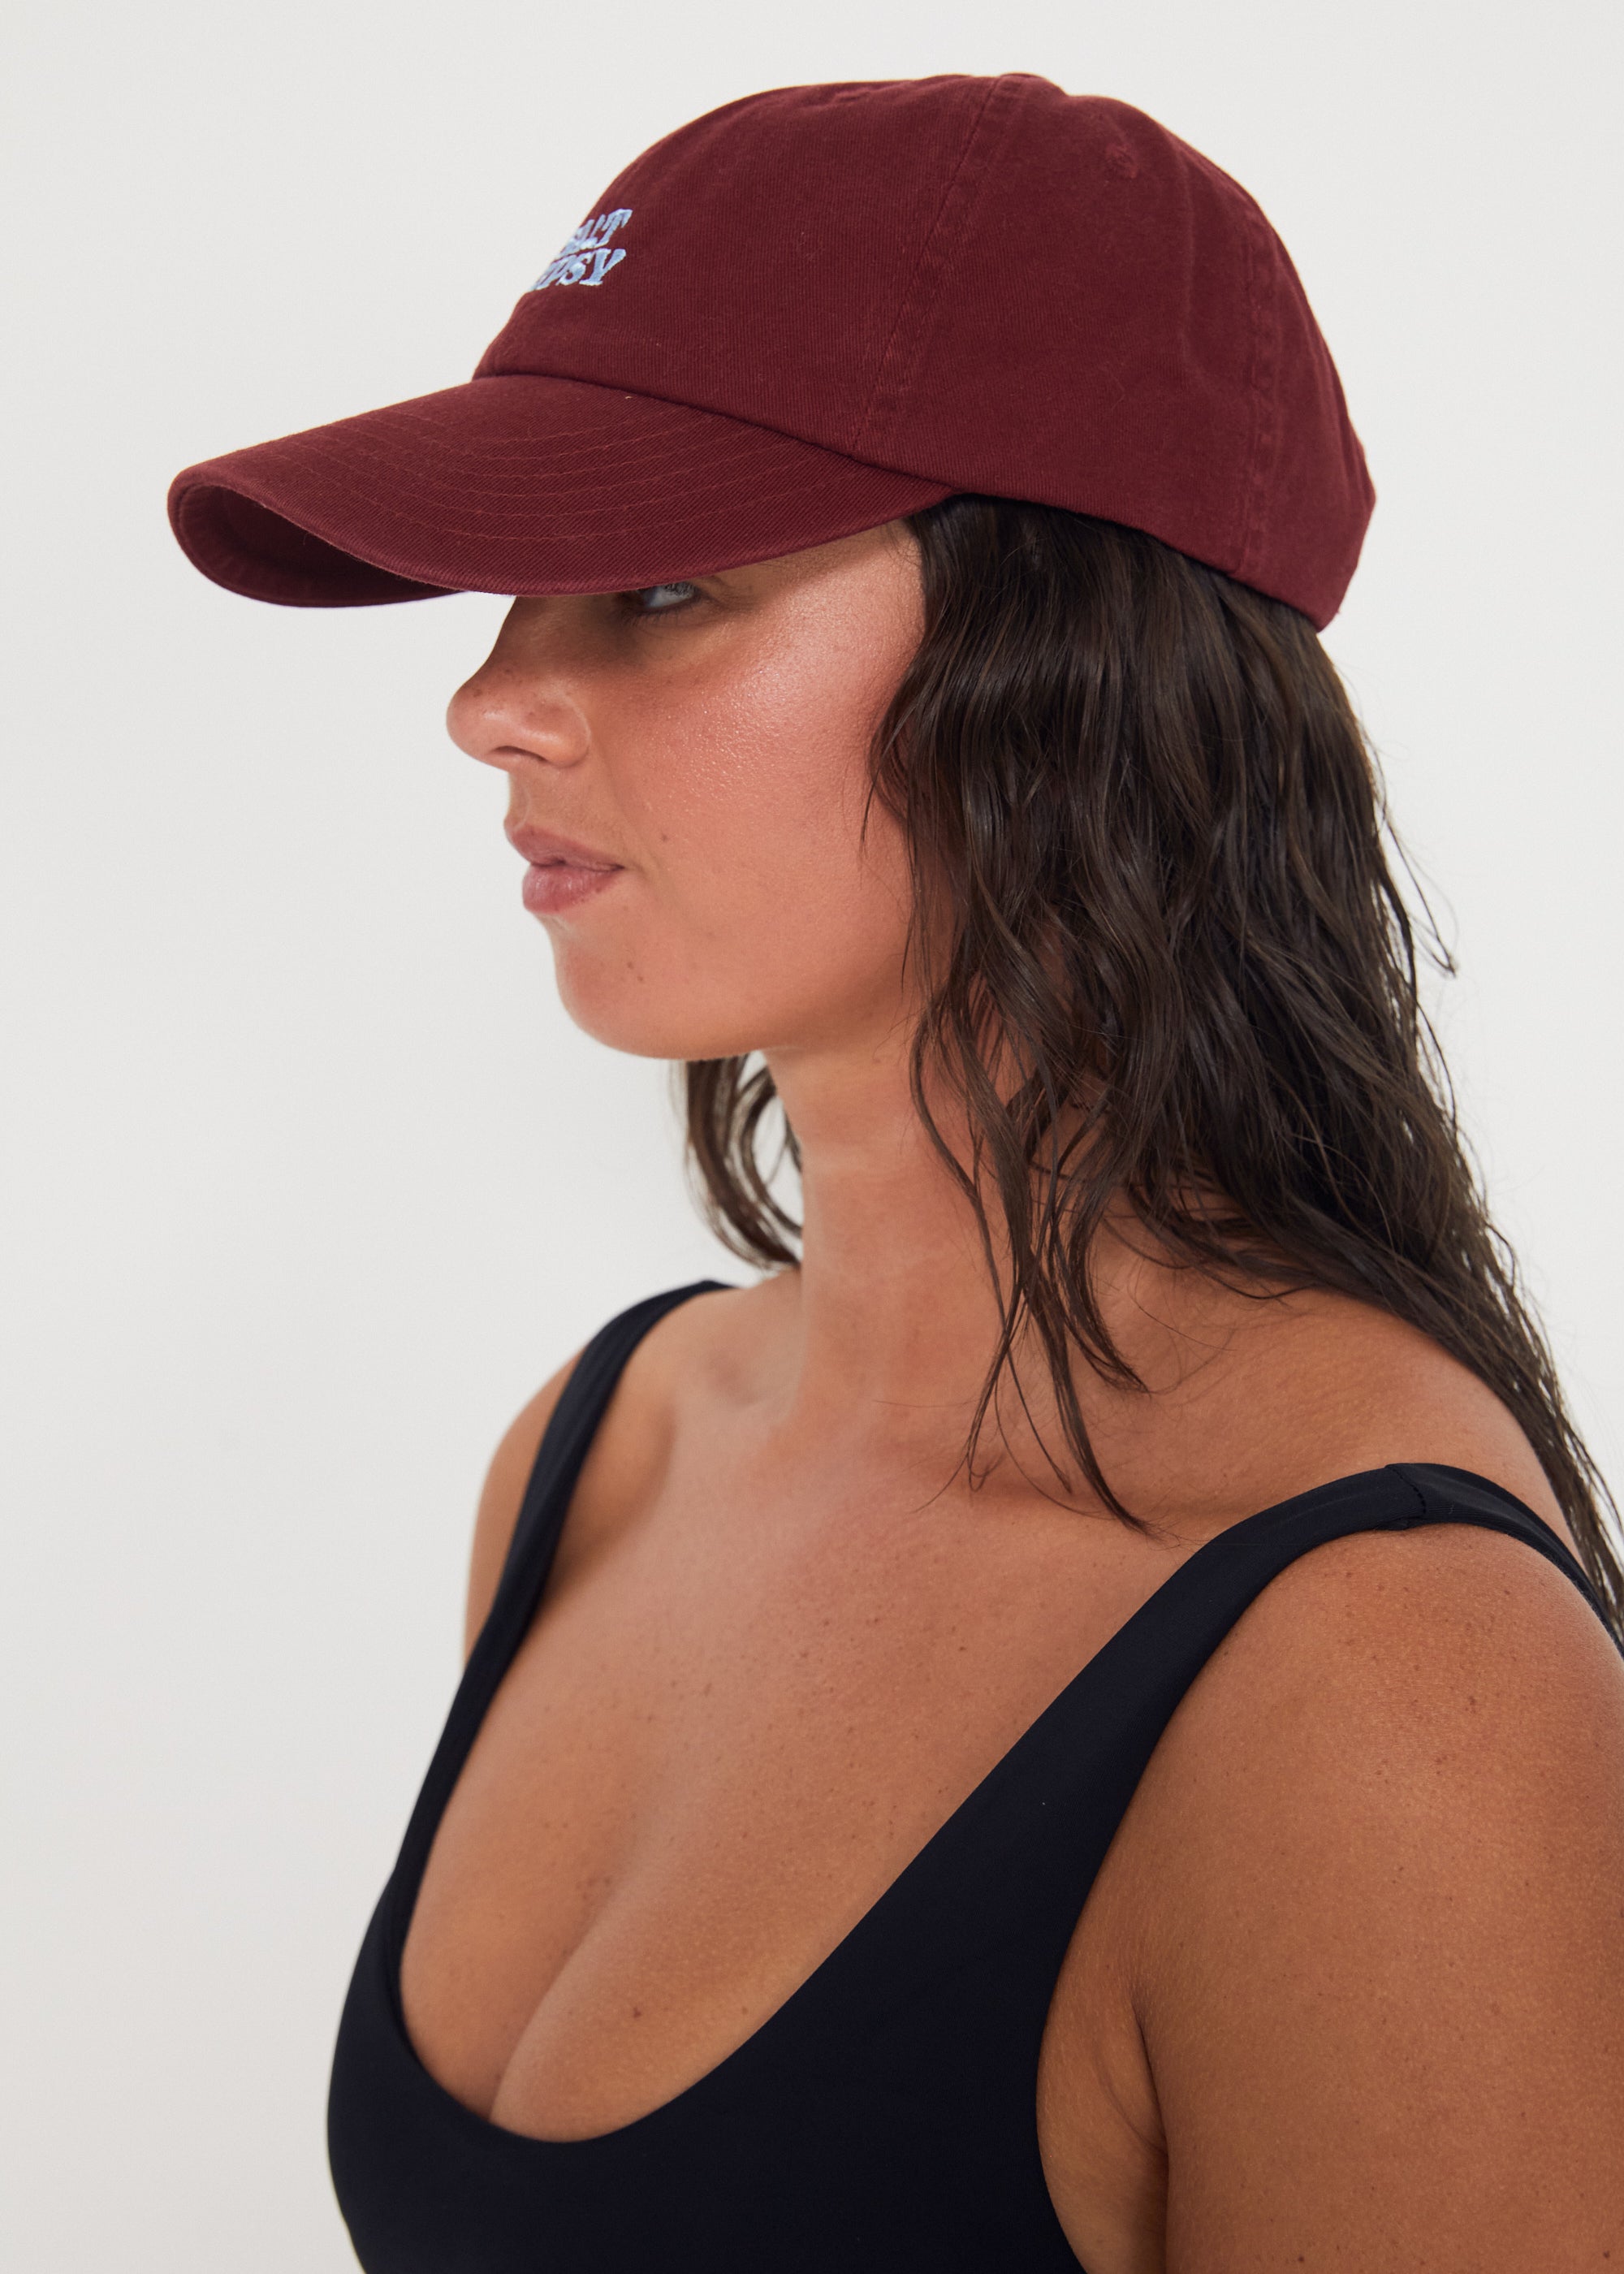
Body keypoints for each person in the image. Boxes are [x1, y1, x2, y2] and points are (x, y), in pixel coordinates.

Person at [167, 72, 1624, 2274]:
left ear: (1081, 679)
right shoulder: (603, 1451)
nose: (489, 698)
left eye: (658, 584)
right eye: (518, 591)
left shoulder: (1386, 1687)